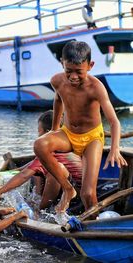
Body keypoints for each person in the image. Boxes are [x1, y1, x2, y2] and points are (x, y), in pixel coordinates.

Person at [34, 41, 127, 213]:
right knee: (40, 144)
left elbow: (114, 122)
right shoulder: (57, 81)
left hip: (92, 138)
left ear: (90, 66)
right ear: (62, 63)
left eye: (79, 72)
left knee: (88, 193)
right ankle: (68, 188)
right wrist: (55, 128)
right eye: (69, 71)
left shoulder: (96, 88)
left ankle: (94, 225)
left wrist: (115, 149)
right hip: (68, 134)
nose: (73, 76)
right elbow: (58, 100)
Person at [0, 110, 82, 210]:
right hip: (72, 189)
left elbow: (24, 176)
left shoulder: (49, 151)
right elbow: (31, 165)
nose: (38, 136)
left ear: (47, 133)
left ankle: (41, 209)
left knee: (53, 171)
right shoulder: (66, 143)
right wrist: (13, 171)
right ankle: (38, 199)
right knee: (37, 169)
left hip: (75, 196)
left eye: (39, 131)